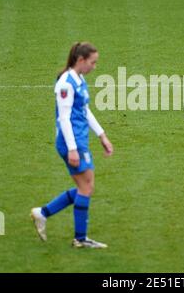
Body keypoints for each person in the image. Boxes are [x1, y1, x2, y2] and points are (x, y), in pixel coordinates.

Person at [31, 42, 113, 249]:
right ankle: (80, 238)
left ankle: (42, 213)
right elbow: (65, 119)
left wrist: (102, 135)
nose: (95, 67)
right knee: (86, 187)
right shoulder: (66, 84)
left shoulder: (79, 78)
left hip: (79, 140)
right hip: (72, 143)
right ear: (81, 60)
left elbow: (84, 111)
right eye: (92, 62)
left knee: (85, 187)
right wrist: (73, 149)